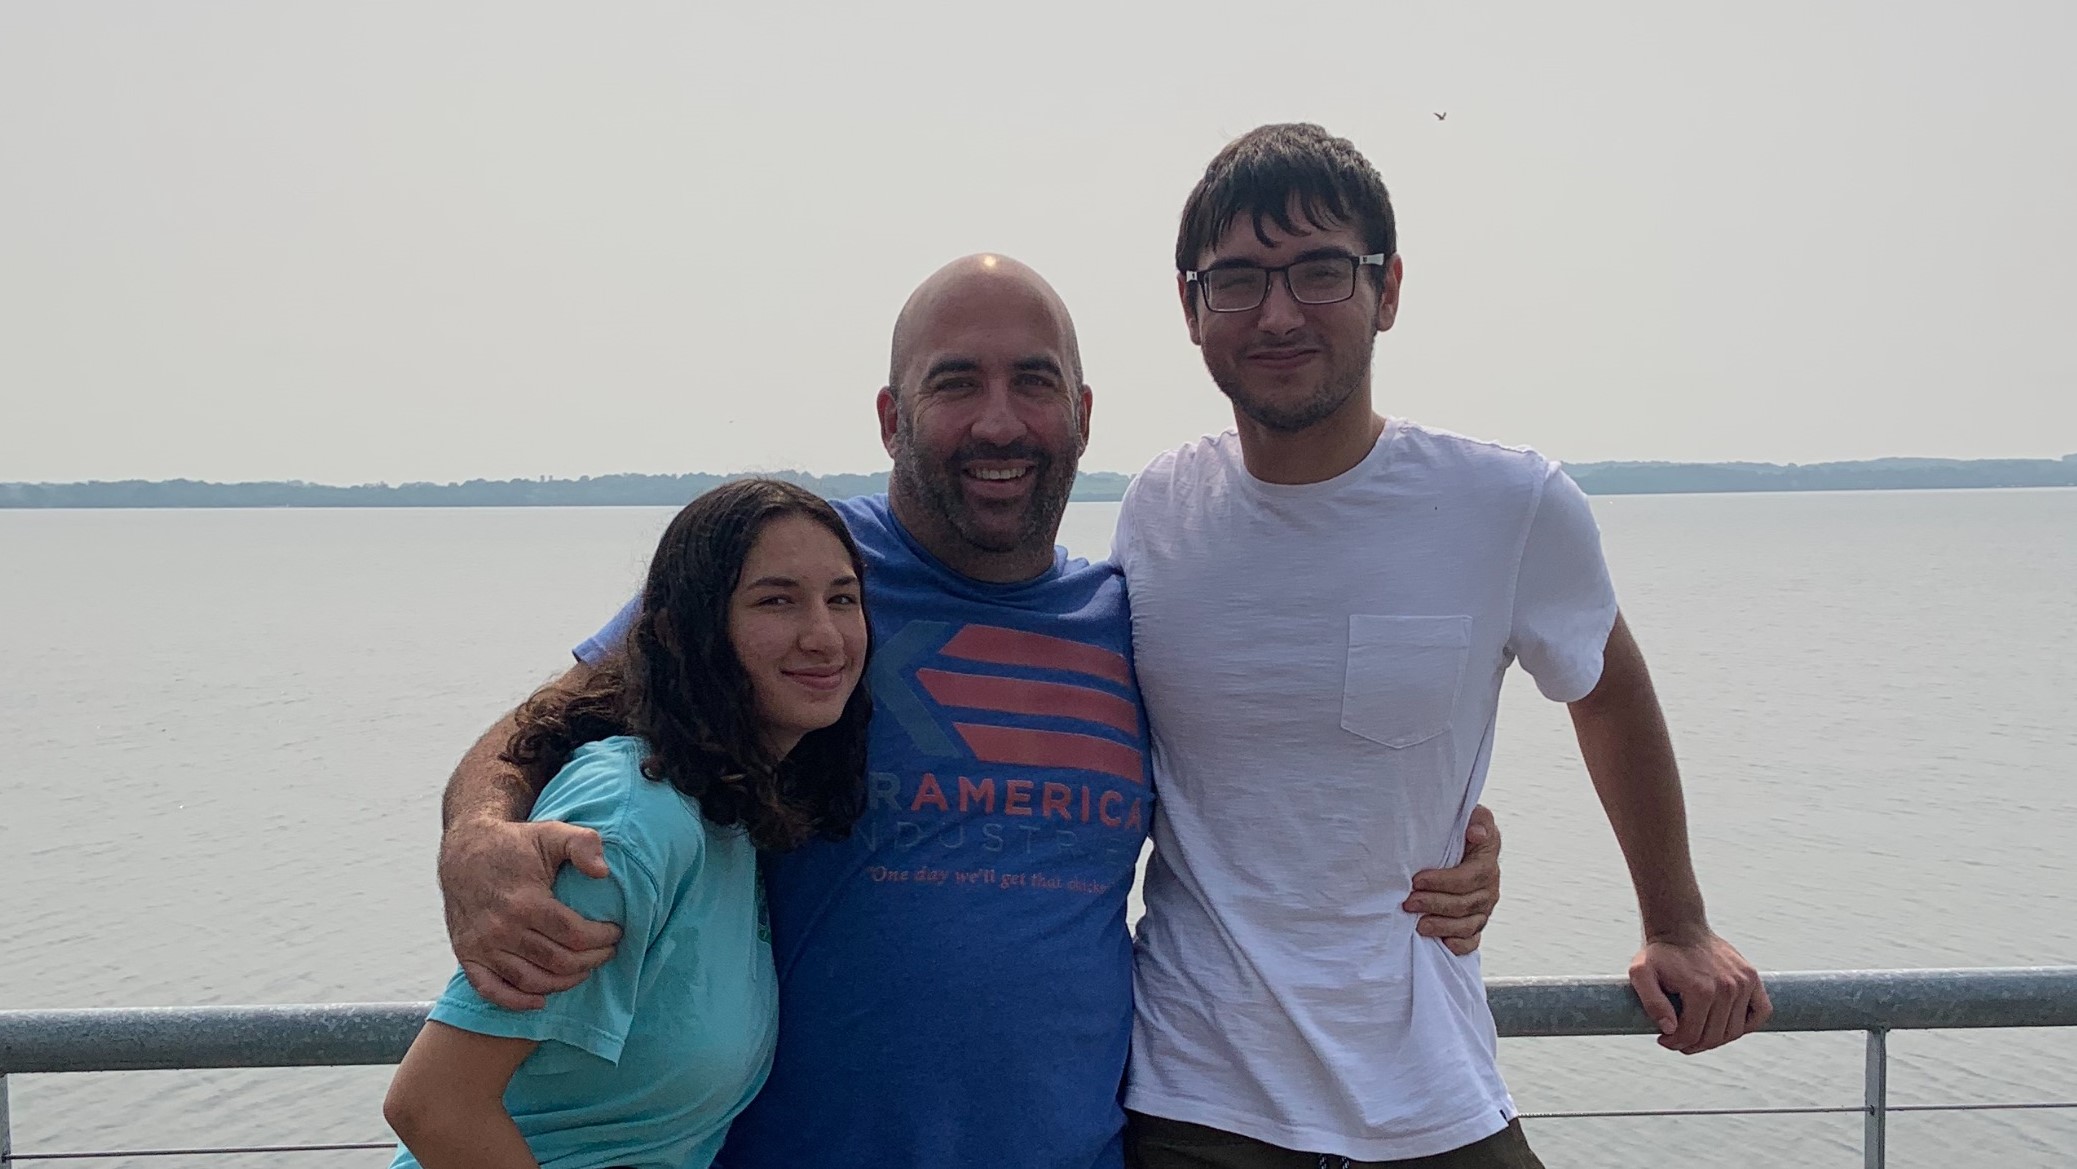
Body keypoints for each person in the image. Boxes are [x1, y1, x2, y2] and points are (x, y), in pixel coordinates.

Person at [432, 254, 1505, 1169]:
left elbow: (1281, 779)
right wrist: (477, 832)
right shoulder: (802, 579)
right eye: (957, 384)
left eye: (1034, 382)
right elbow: (550, 724)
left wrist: (1440, 845)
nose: (1000, 421)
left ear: (1083, 415)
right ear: (893, 416)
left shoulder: (1136, 617)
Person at [1114, 123, 1772, 1169]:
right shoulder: (1156, 510)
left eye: (1320, 270)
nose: (1278, 311)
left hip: (1432, 1095)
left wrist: (1676, 920)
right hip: (1194, 1099)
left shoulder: (1507, 504)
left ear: (1388, 289)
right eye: (1236, 278)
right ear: (1191, 308)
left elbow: (1606, 689)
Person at [383, 478, 873, 1169]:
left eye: (842, 598)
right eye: (775, 600)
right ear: (682, 630)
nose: (823, 635)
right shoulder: (627, 819)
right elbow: (435, 1104)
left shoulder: (723, 813)